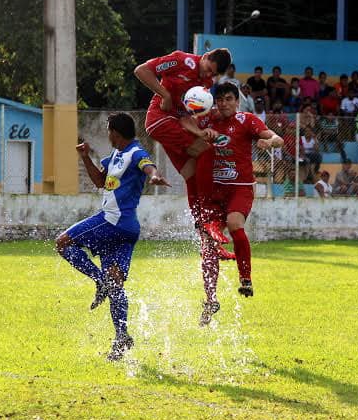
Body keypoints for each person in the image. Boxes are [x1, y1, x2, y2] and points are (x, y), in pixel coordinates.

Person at [56, 113, 170, 361]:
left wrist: (154, 175)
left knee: (63, 243)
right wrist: (85, 156)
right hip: (127, 230)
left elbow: (147, 165)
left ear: (115, 132)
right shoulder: (115, 156)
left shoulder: (135, 153)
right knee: (116, 282)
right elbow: (99, 181)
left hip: (111, 220)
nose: (107, 135)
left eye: (108, 130)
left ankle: (99, 281)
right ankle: (121, 337)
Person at [181, 82, 284, 323]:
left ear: (237, 101)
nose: (224, 103)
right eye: (221, 100)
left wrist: (270, 142)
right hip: (213, 191)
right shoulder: (207, 121)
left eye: (229, 99)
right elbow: (191, 148)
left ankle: (245, 279)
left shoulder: (246, 120)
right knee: (207, 245)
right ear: (214, 102)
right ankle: (210, 300)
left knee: (235, 224)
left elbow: (276, 137)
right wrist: (201, 137)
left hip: (240, 188)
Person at [134, 47, 231, 218]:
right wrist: (165, 95)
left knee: (192, 173)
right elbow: (141, 70)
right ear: (205, 56)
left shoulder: (206, 84)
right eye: (208, 69)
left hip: (177, 124)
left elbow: (186, 117)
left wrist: (200, 132)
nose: (208, 75)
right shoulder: (181, 60)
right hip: (160, 120)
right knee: (206, 151)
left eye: (212, 74)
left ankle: (203, 232)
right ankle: (209, 214)